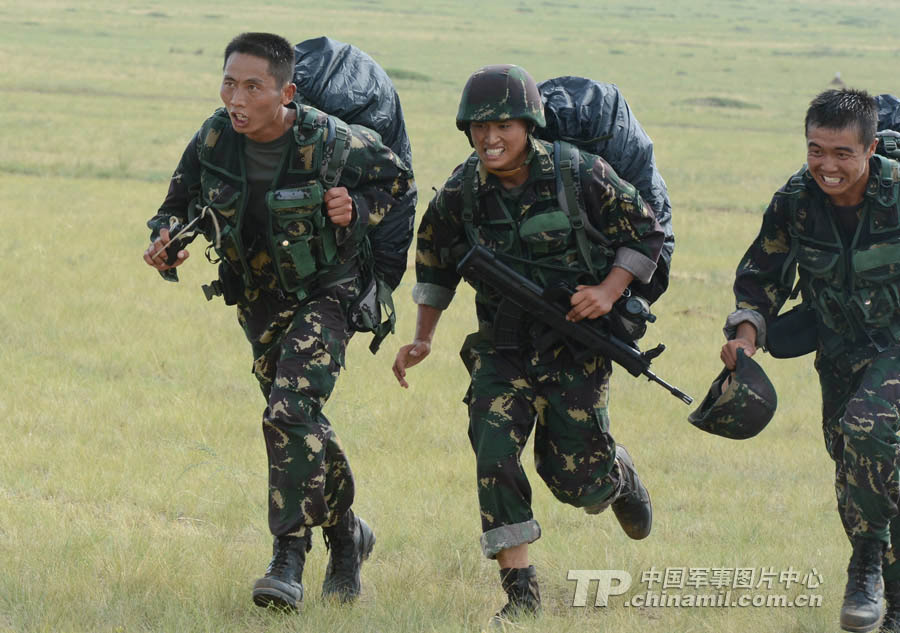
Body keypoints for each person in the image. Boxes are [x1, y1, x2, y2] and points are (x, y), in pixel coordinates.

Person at [143, 32, 414, 610]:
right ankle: (347, 537)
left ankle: (287, 559)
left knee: (289, 411)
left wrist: (358, 209)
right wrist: (165, 239)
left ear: (286, 92)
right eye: (228, 83)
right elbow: (176, 203)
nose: (235, 99)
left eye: (252, 87)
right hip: (260, 297)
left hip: (328, 291)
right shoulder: (215, 137)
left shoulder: (333, 140)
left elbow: (398, 180)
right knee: (299, 421)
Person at [392, 64, 664, 623]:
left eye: (504, 127)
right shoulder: (461, 192)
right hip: (502, 349)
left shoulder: (580, 173)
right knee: (493, 453)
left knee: (577, 483)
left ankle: (616, 473)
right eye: (479, 128)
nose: (490, 139)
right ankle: (521, 597)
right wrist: (422, 339)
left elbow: (646, 230)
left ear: (529, 125)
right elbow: (434, 263)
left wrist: (610, 290)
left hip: (576, 346)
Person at [718, 88, 900, 633]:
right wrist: (745, 337)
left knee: (867, 431)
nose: (828, 165)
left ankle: (864, 562)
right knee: (857, 469)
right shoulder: (795, 202)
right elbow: (761, 280)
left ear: (871, 149)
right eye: (816, 150)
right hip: (839, 351)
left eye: (843, 153)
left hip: (896, 344)